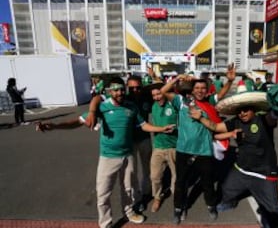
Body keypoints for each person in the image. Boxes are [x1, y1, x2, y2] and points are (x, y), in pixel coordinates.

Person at [36, 77, 175, 228]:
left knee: (128, 189)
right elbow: (76, 122)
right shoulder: (102, 107)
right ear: (109, 92)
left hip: (128, 155)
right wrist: (55, 126)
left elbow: (144, 125)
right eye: (116, 90)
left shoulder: (131, 107)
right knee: (103, 193)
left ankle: (129, 212)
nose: (120, 92)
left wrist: (161, 129)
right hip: (108, 157)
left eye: (122, 89)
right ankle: (105, 223)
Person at [189, 100, 278, 228]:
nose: (242, 113)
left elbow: (274, 116)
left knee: (274, 210)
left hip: (264, 174)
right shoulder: (236, 121)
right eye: (239, 111)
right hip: (242, 170)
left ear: (253, 110)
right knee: (226, 189)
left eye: (246, 110)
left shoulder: (263, 120)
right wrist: (201, 118)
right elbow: (215, 127)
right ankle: (231, 203)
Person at [160, 64, 236, 224]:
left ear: (207, 90)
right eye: (197, 88)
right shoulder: (181, 101)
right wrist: (178, 78)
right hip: (183, 150)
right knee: (180, 183)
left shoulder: (210, 102)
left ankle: (211, 205)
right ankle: (178, 209)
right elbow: (164, 91)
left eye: (203, 88)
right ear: (192, 90)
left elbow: (221, 94)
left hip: (204, 150)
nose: (200, 90)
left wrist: (229, 81)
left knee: (208, 183)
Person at [87, 75, 154, 211]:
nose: (135, 90)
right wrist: (92, 111)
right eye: (131, 88)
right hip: (130, 143)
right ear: (126, 88)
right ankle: (137, 199)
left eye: (138, 87)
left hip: (145, 138)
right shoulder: (123, 98)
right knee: (132, 175)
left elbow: (161, 89)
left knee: (148, 170)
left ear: (142, 86)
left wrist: (154, 78)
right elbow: (98, 98)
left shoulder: (147, 97)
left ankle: (146, 193)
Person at [147, 82, 178, 213]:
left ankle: (177, 198)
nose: (156, 97)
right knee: (155, 176)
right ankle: (157, 197)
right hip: (158, 146)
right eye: (153, 95)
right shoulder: (153, 106)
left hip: (174, 147)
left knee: (176, 176)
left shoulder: (174, 104)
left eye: (159, 94)